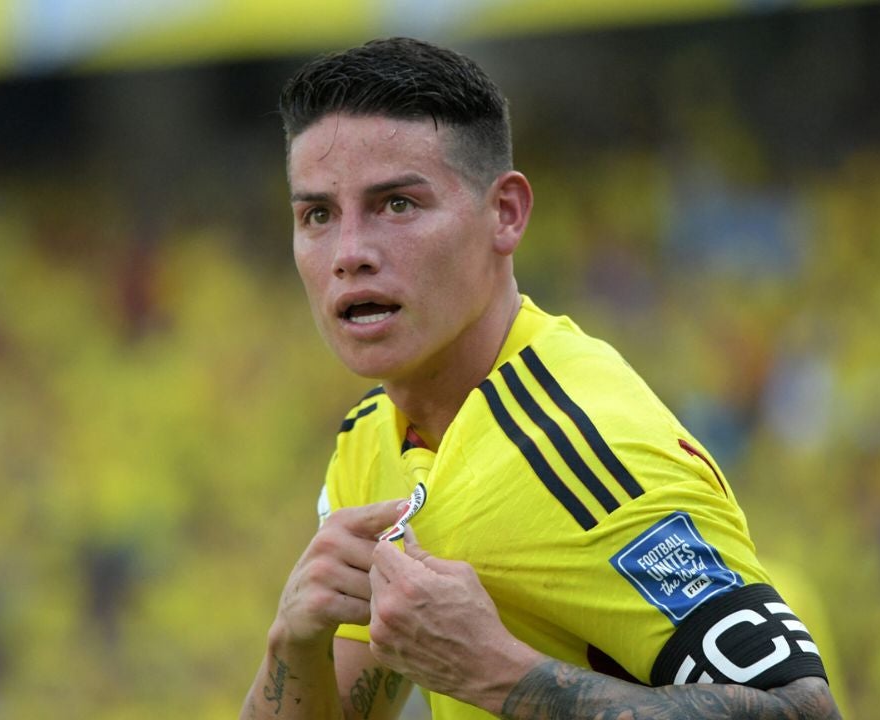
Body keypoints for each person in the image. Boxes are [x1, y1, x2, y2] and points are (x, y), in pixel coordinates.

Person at [241, 37, 841, 720]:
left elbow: (806, 712)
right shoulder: (369, 438)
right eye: (317, 214)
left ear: (506, 214)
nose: (350, 253)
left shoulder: (585, 444)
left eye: (397, 205)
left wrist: (499, 674)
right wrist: (293, 644)